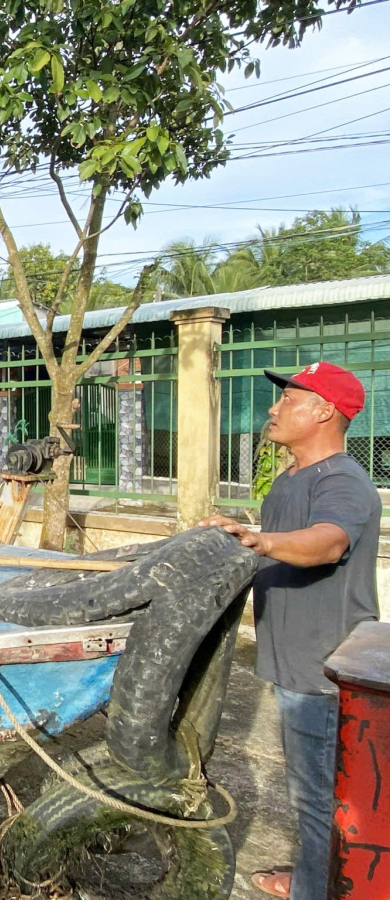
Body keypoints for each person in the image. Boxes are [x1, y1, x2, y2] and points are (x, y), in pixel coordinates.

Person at [199, 361, 382, 900]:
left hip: (320, 667)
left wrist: (261, 541)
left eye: (291, 399)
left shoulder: (344, 481)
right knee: (311, 788)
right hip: (292, 660)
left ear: (324, 411)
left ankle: (318, 890)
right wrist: (240, 531)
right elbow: (284, 536)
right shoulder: (292, 477)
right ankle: (311, 875)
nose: (274, 409)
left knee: (321, 796)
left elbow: (327, 541)